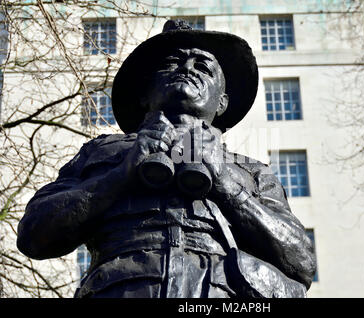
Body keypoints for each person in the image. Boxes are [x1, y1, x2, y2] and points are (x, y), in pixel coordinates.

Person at [17, 20, 316, 298]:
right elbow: (33, 234)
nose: (187, 69)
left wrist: (224, 182)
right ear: (145, 95)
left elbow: (301, 262)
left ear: (222, 102)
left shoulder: (252, 172)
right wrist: (120, 175)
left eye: (203, 67)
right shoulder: (100, 152)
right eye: (172, 62)